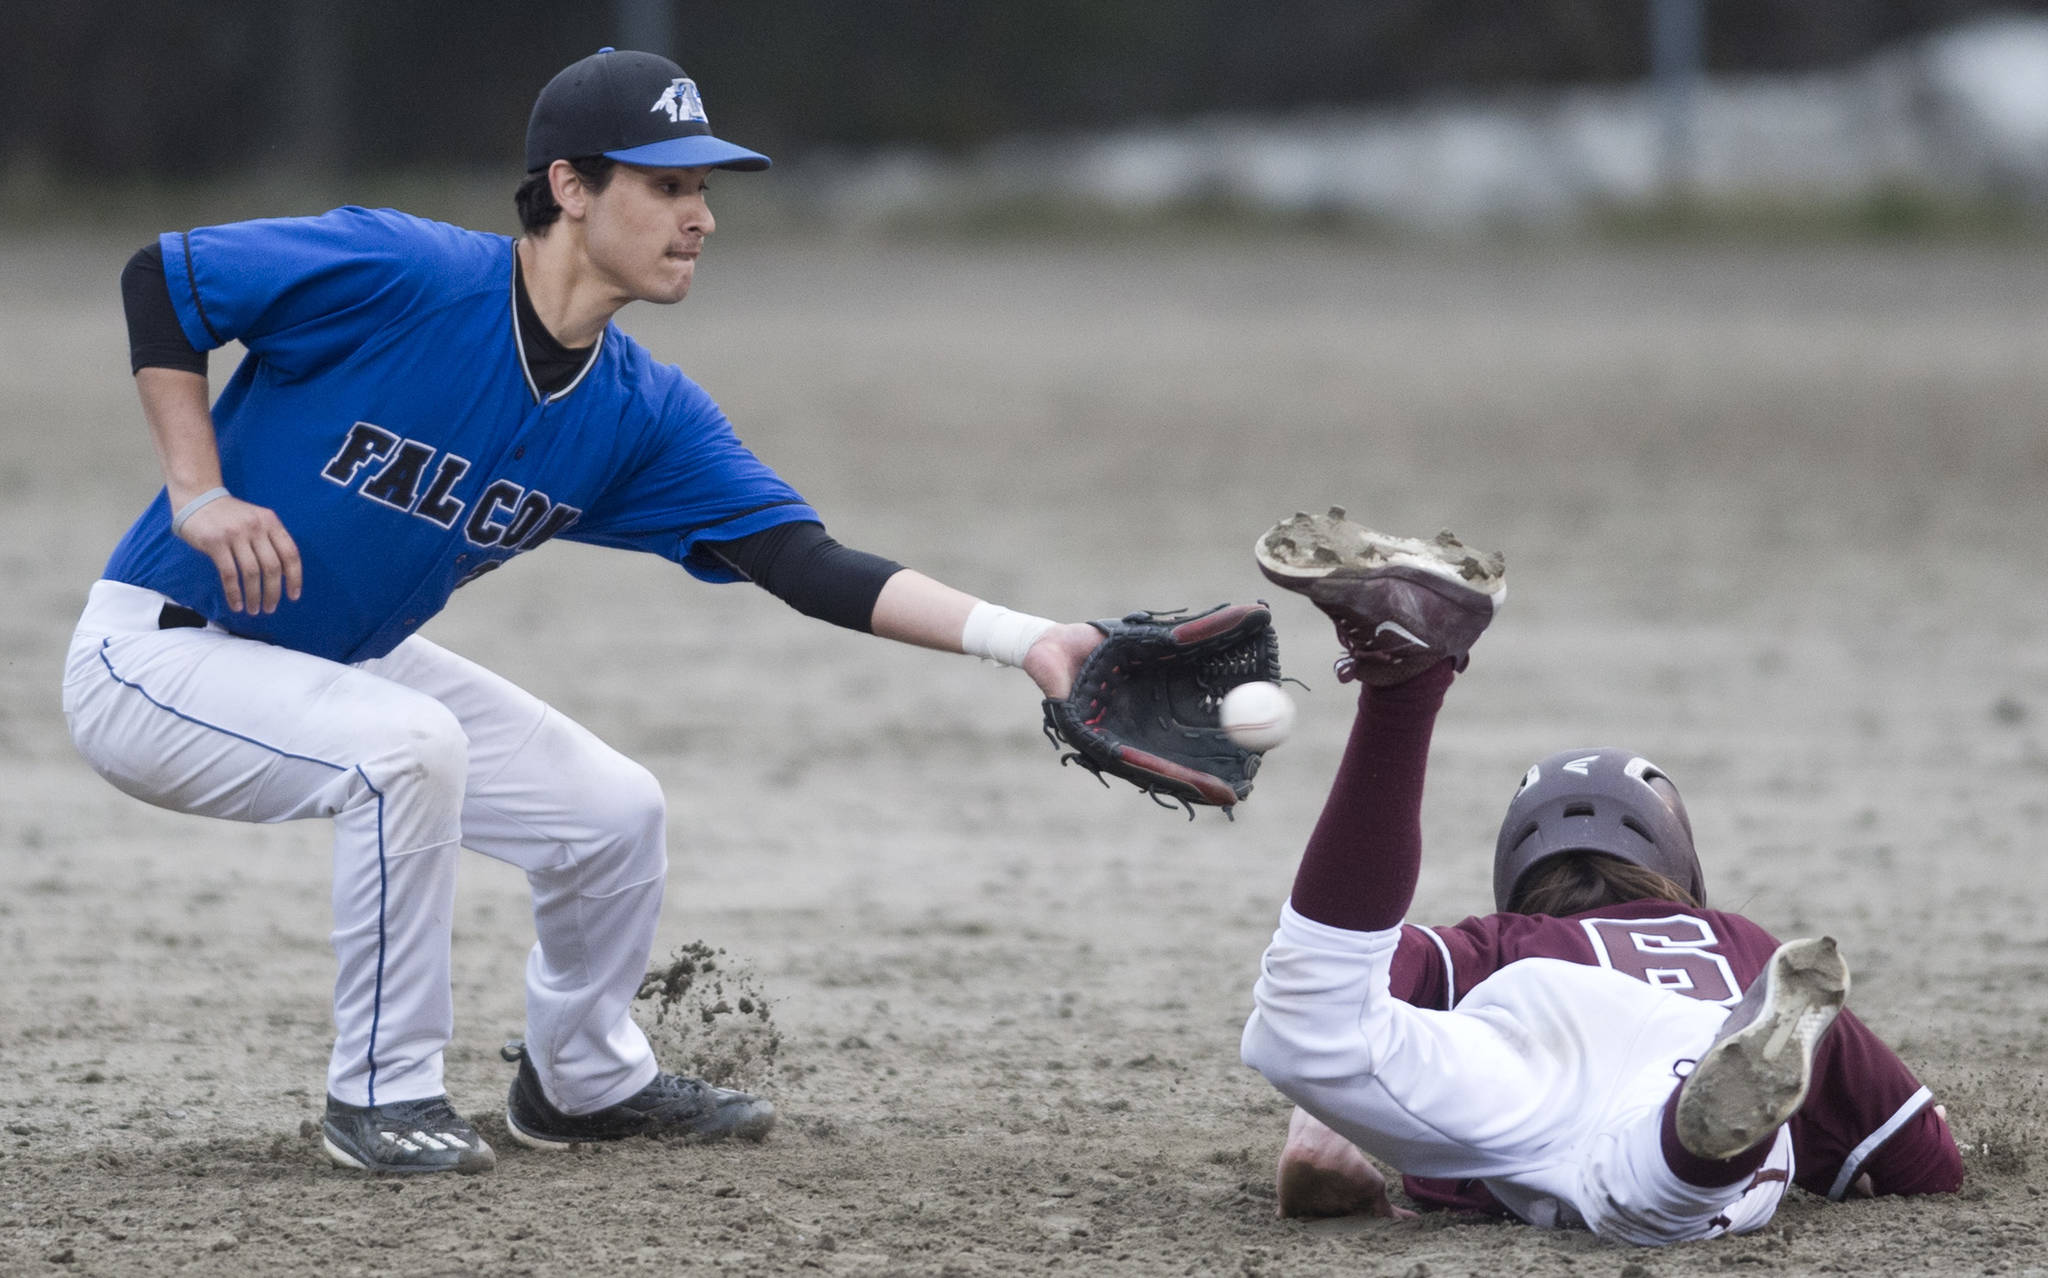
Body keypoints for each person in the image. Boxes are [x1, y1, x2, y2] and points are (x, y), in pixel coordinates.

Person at [60, 47, 1104, 1175]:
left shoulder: (638, 411)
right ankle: (381, 1096)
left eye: (703, 191)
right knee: (409, 750)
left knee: (610, 812)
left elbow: (803, 561)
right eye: (667, 187)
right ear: (570, 187)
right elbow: (164, 279)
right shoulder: (402, 270)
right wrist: (199, 487)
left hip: (335, 667)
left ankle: (580, 1080)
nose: (699, 218)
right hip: (155, 659)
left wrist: (1026, 639)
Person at [1238, 509, 1962, 1244]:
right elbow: (1930, 1163)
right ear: (1675, 859)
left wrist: (1328, 1111)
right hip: (1702, 1033)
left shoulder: (1498, 945)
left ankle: (1404, 686)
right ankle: (1693, 1136)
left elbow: (1364, 973)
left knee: (1304, 1017)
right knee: (1641, 1193)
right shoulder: (1744, 946)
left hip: (1529, 1029)